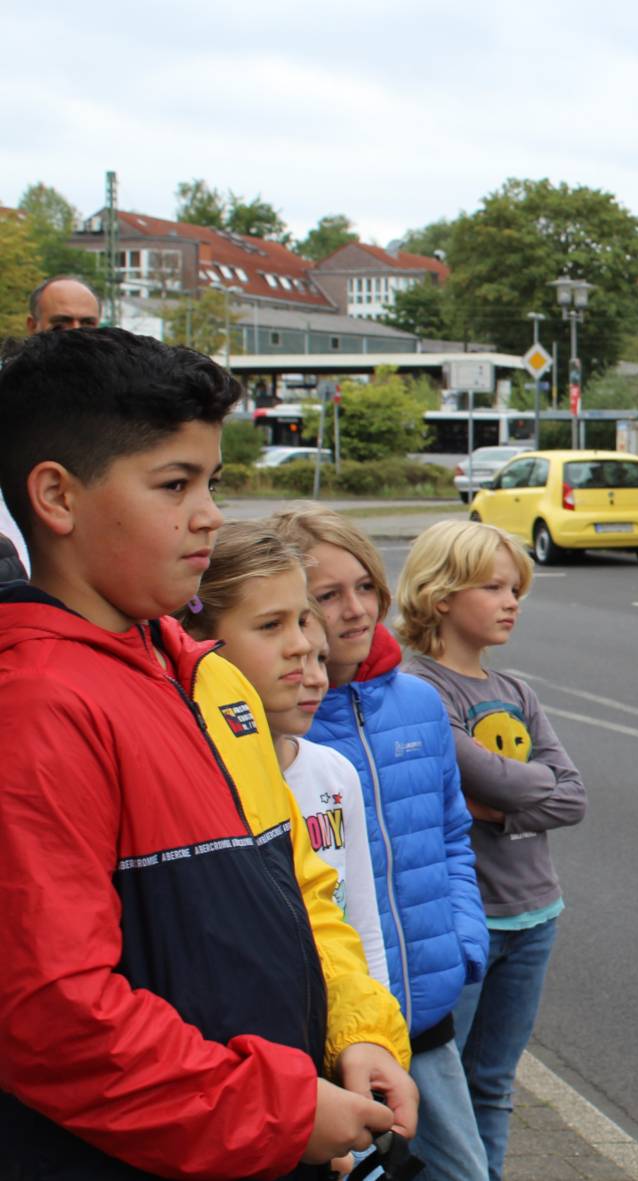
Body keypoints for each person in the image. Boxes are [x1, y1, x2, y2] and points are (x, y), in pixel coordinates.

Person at [0, 328, 415, 1180]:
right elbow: (54, 1016)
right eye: (174, 484)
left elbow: (300, 888)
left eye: (211, 481)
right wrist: (282, 1110)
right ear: (56, 496)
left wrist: (355, 1030)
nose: (210, 515)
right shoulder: (37, 704)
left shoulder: (210, 680)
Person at [270, 503, 492, 1181]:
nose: (356, 610)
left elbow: (453, 833)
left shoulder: (419, 702)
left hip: (424, 1011)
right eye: (328, 595)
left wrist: (462, 940)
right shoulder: (284, 728)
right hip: (329, 1030)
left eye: (365, 586)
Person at [397, 520, 587, 1181]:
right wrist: (514, 787)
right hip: (463, 922)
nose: (512, 601)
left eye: (517, 588)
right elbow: (509, 779)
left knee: (494, 1084)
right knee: (439, 1094)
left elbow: (574, 796)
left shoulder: (516, 692)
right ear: (441, 593)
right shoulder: (420, 690)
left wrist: (497, 807)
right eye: (494, 586)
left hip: (535, 913)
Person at [173, 523, 390, 988]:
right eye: (272, 625)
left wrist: (380, 1035)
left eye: (301, 625)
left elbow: (361, 927)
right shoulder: (184, 780)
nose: (298, 650)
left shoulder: (333, 774)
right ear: (195, 638)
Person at [1, 278, 105, 578]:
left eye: (86, 323)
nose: (74, 334)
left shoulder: (117, 399)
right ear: (32, 326)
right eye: (60, 324)